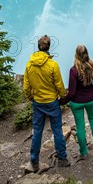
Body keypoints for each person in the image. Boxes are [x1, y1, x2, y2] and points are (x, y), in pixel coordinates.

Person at [23, 35, 70, 172]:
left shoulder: (29, 65)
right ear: (49, 47)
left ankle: (34, 161)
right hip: (52, 102)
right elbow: (59, 85)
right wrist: (62, 97)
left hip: (38, 103)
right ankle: (62, 159)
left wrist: (31, 97)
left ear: (38, 47)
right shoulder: (52, 65)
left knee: (37, 131)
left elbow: (26, 87)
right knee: (57, 130)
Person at [60, 45, 93, 159]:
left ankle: (84, 152)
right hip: (90, 100)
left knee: (80, 127)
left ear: (76, 54)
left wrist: (61, 102)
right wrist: (92, 94)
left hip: (77, 103)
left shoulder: (74, 70)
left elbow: (72, 93)